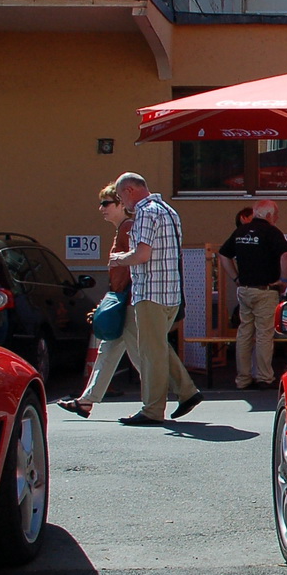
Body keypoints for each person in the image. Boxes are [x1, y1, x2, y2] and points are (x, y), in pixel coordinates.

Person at [109, 171, 202, 426]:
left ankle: (152, 409)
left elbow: (141, 255)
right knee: (158, 346)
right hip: (171, 293)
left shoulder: (145, 213)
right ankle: (187, 392)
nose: (122, 203)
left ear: (129, 191)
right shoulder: (168, 211)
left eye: (120, 197)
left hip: (151, 292)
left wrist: (118, 259)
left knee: (151, 354)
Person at [58, 183, 139, 418]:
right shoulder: (123, 229)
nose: (101, 208)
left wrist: (116, 301)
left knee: (141, 357)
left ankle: (179, 393)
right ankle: (86, 401)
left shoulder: (128, 228)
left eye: (106, 203)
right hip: (123, 301)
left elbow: (136, 265)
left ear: (121, 205)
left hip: (128, 302)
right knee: (108, 351)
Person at [220, 198, 287, 390]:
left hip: (244, 289)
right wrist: (284, 280)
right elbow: (286, 255)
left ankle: (243, 378)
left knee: (244, 333)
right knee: (264, 334)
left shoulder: (241, 231)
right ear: (268, 215)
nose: (277, 218)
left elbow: (223, 254)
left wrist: (235, 277)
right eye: (276, 214)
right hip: (265, 290)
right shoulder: (272, 232)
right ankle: (264, 377)